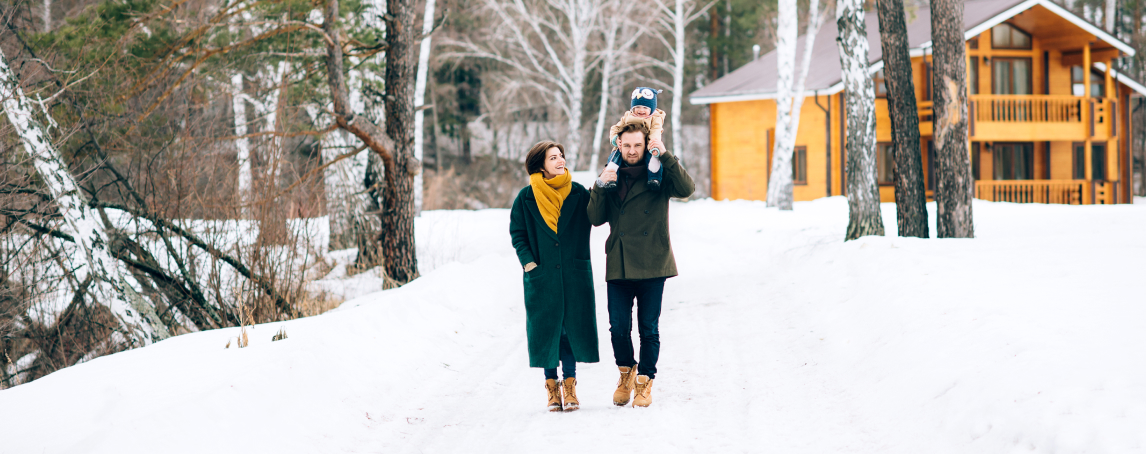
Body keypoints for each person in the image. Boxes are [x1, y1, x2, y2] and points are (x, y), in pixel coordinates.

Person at [588, 122, 694, 408]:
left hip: (653, 262)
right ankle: (626, 372)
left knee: (648, 328)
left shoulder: (657, 172)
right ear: (618, 146)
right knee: (618, 328)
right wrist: (600, 182)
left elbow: (687, 188)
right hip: (620, 263)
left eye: (638, 145)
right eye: (627, 145)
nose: (632, 150)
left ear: (646, 144)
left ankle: (645, 380)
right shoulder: (611, 175)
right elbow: (595, 218)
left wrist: (666, 155)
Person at [509, 140, 600, 412]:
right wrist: (528, 263)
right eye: (553, 158)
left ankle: (569, 386)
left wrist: (602, 191)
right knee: (547, 330)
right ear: (540, 165)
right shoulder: (525, 198)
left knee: (569, 330)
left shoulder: (580, 194)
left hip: (574, 274)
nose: (560, 161)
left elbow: (597, 216)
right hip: (542, 275)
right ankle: (551, 388)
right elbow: (518, 234)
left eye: (561, 156)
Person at [600, 87, 667, 191]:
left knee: (654, 160)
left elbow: (655, 132)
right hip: (625, 145)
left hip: (647, 145)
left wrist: (653, 146)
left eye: (645, 107)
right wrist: (615, 139)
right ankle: (611, 180)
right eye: (638, 107)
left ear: (652, 109)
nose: (641, 110)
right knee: (614, 158)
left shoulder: (655, 118)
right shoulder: (628, 116)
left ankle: (654, 178)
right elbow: (615, 128)